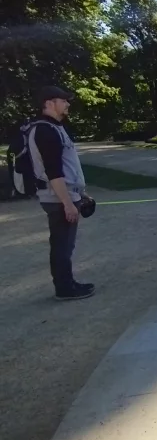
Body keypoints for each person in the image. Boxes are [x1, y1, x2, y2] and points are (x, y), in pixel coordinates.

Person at [28, 86, 95, 300]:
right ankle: (65, 288)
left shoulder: (56, 127)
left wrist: (80, 194)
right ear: (49, 103)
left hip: (65, 195)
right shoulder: (45, 130)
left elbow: (68, 167)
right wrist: (67, 203)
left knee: (65, 244)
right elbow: (54, 171)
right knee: (61, 244)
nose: (67, 104)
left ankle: (67, 283)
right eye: (63, 100)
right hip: (57, 198)